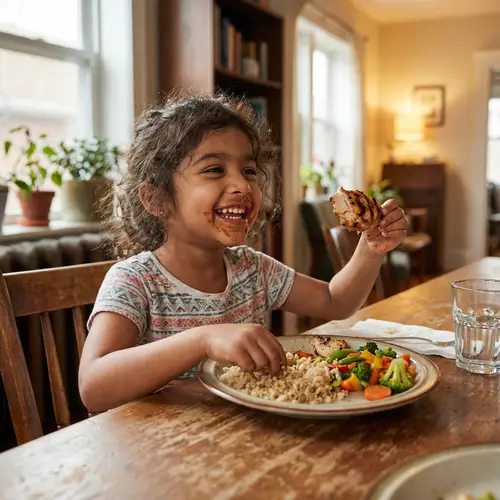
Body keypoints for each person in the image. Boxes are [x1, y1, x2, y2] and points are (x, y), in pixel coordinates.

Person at [78, 92, 408, 412]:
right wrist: (202, 340)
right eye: (214, 170)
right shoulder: (135, 281)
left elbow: (337, 301)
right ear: (156, 199)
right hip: (160, 453)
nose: (242, 185)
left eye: (249, 171)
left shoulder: (253, 270)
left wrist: (370, 249)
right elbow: (94, 387)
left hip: (240, 439)